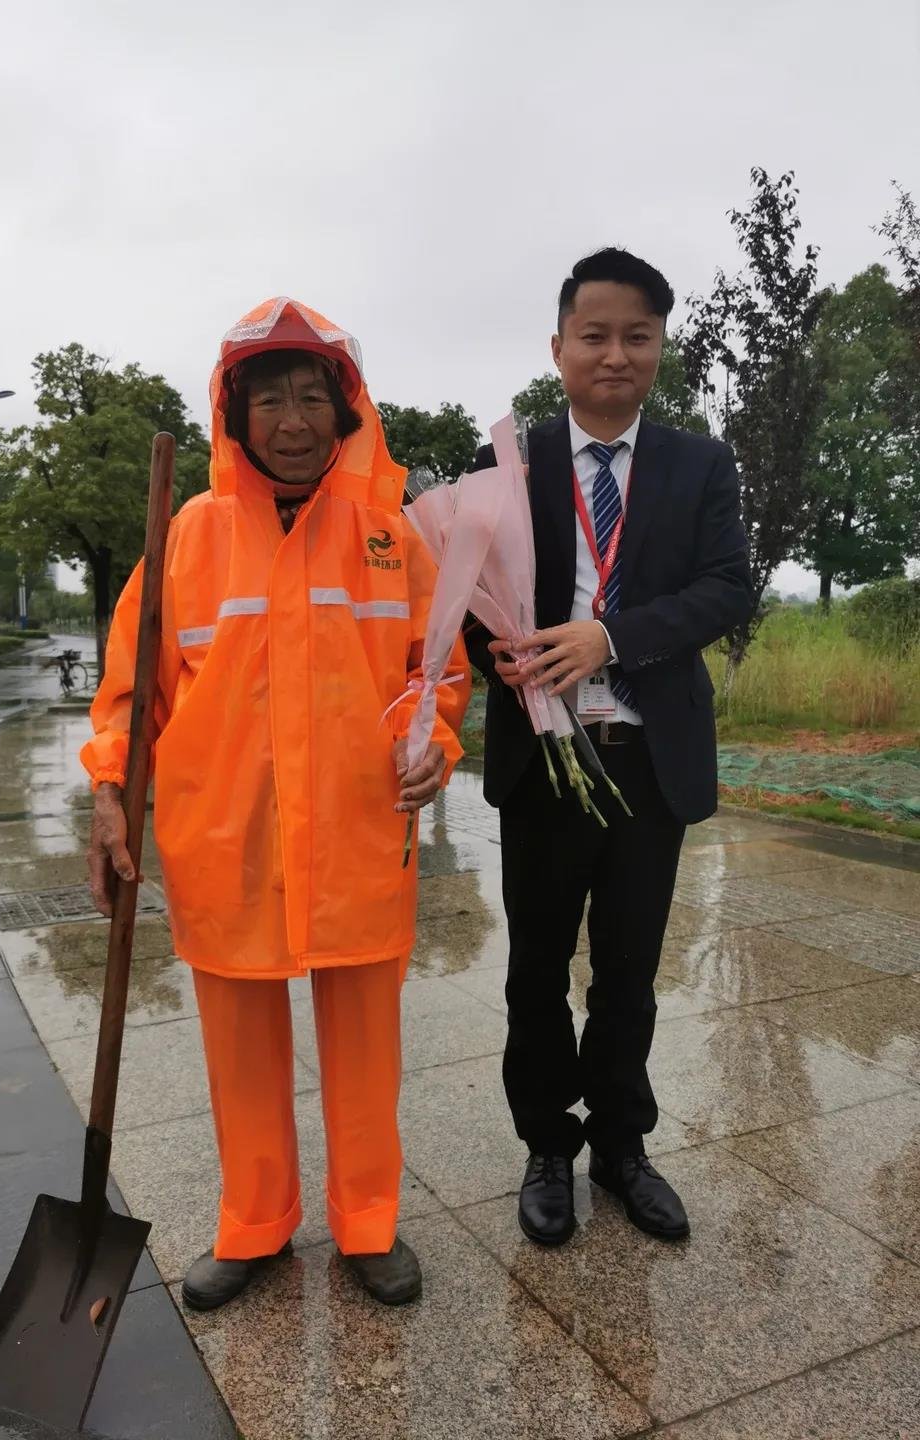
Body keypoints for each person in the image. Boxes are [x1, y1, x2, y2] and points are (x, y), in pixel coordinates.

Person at [81, 298, 469, 1309]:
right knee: (241, 1048)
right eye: (269, 401)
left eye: (311, 398)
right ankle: (254, 1224)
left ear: (345, 412)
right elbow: (131, 693)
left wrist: (431, 743)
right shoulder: (188, 538)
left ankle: (368, 1224)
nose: (293, 422)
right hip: (226, 835)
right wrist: (110, 799)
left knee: (364, 1045)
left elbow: (439, 674)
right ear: (235, 414)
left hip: (355, 831)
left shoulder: (393, 538)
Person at [465, 249, 753, 1247]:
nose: (615, 354)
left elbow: (726, 588)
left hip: (646, 757)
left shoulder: (700, 465)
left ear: (660, 347)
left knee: (629, 970)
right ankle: (548, 1146)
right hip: (545, 758)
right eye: (595, 335)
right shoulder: (511, 468)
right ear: (558, 348)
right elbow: (466, 597)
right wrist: (496, 652)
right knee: (537, 969)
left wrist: (611, 637)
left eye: (637, 336)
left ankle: (623, 1149)